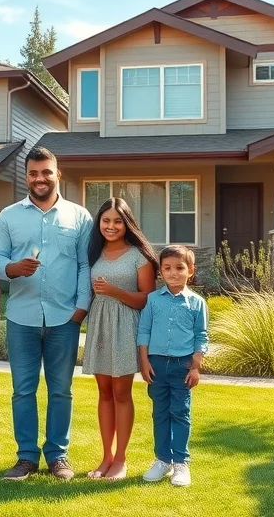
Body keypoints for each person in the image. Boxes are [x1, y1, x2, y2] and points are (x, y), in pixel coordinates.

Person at [0, 145, 93, 481]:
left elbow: (84, 264)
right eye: (33, 173)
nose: (40, 178)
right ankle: (26, 457)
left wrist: (81, 308)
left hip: (65, 318)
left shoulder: (79, 216)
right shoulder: (8, 216)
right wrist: (12, 268)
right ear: (27, 176)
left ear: (57, 174)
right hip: (22, 317)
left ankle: (58, 456)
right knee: (23, 389)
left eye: (46, 172)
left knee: (61, 389)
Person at [82, 198, 158, 481]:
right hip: (100, 326)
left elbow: (148, 299)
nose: (111, 226)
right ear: (99, 223)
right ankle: (106, 458)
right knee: (103, 393)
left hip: (126, 326)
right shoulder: (93, 252)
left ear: (127, 224)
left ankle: (121, 460)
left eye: (117, 221)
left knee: (121, 393)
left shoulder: (139, 255)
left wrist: (114, 291)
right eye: (106, 220)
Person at [137, 245, 209, 488]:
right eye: (167, 268)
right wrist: (144, 361)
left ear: (191, 271)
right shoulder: (152, 300)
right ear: (160, 272)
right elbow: (144, 331)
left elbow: (201, 335)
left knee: (180, 413)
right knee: (160, 413)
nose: (173, 273)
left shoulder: (197, 303)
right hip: (156, 365)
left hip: (182, 366)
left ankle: (181, 462)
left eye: (179, 268)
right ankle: (162, 459)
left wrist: (196, 366)